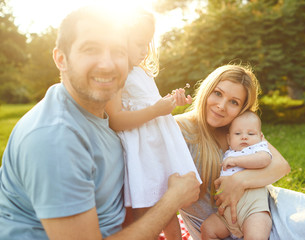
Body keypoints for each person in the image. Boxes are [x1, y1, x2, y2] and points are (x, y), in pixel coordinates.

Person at [0, 6, 200, 240]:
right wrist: (172, 200)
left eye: (118, 51)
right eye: (90, 49)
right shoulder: (54, 141)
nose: (107, 64)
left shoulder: (98, 117)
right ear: (61, 59)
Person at [174, 64, 305, 240]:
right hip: (239, 225)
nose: (222, 106)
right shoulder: (180, 130)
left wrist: (239, 180)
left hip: (266, 201)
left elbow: (281, 166)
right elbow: (156, 196)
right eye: (217, 93)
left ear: (242, 109)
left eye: (233, 102)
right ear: (207, 89)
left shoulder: (236, 128)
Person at [105, 8, 202, 240]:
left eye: (147, 43)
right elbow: (116, 119)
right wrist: (155, 110)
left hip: (158, 147)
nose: (144, 50)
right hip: (141, 150)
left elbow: (147, 103)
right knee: (144, 204)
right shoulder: (118, 74)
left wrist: (169, 102)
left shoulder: (142, 72)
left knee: (168, 201)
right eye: (139, 43)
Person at [201, 110, 272, 240]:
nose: (244, 137)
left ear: (261, 137)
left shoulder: (258, 149)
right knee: (207, 228)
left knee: (256, 235)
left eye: (251, 133)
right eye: (238, 133)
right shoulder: (228, 153)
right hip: (225, 216)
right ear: (229, 139)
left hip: (253, 211)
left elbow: (264, 160)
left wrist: (236, 161)